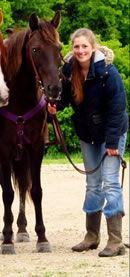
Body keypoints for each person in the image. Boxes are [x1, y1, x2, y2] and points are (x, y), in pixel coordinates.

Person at [48, 28, 128, 257]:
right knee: (92, 184)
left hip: (111, 133)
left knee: (110, 183)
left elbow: (117, 109)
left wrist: (112, 142)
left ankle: (116, 240)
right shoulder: (68, 71)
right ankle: (92, 236)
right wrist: (55, 106)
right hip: (87, 134)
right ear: (72, 49)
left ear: (94, 48)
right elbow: (64, 98)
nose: (80, 50)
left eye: (85, 46)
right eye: (76, 47)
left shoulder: (108, 72)